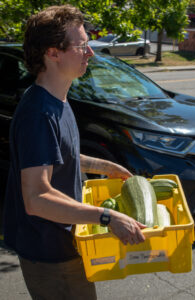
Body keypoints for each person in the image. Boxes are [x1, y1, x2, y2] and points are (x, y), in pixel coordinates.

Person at [3, 4, 146, 300]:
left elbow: (59, 157)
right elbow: (36, 198)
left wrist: (106, 167)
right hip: (50, 253)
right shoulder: (39, 113)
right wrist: (107, 217)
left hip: (64, 244)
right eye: (81, 45)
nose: (90, 52)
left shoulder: (57, 100)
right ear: (52, 53)